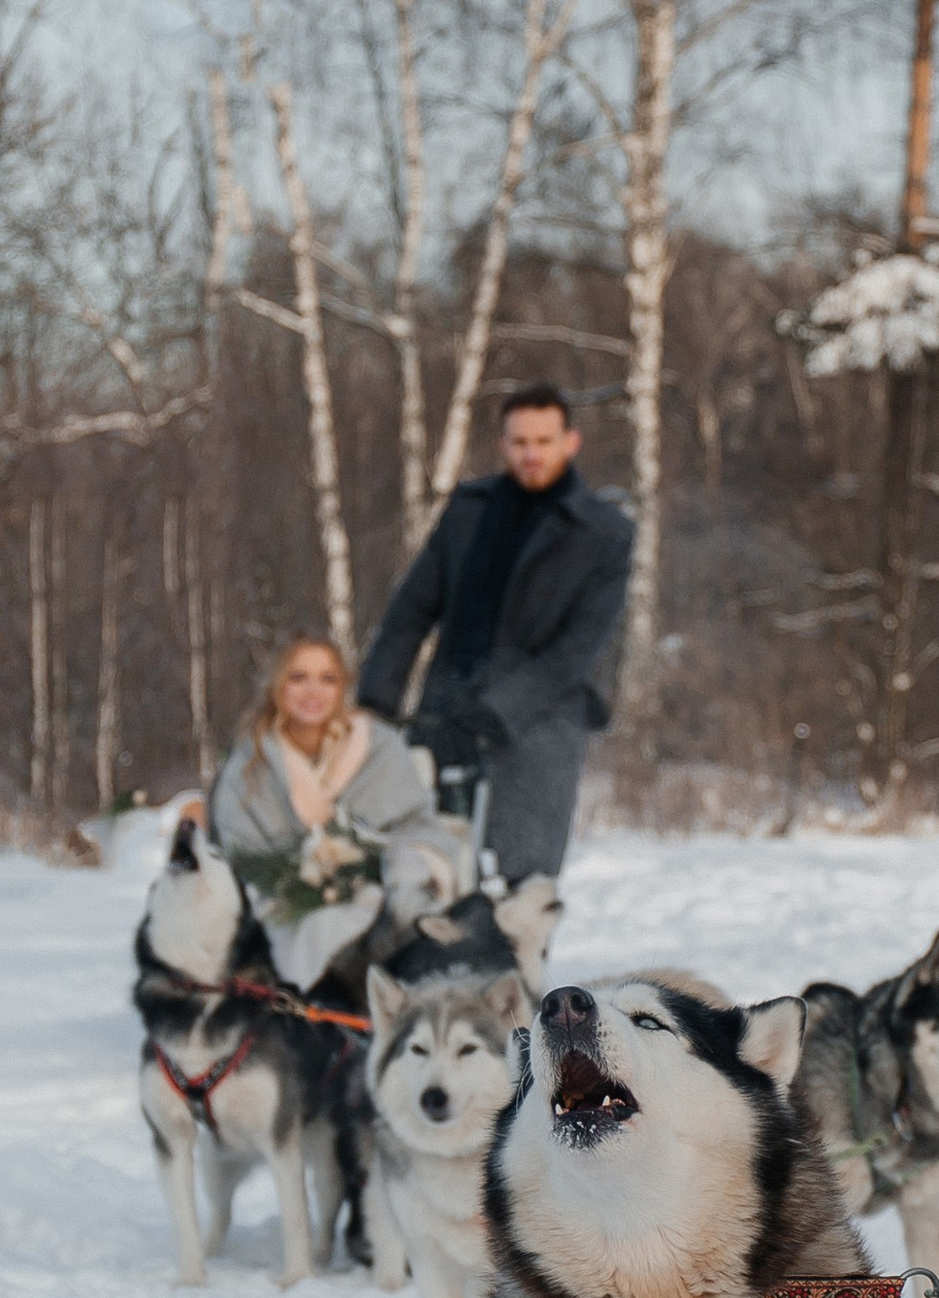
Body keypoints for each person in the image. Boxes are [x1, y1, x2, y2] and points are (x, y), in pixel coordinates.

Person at [357, 384, 634, 888]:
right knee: (426, 877)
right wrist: (377, 699)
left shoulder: (603, 533)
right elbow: (411, 609)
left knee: (518, 890)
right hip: (445, 713)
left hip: (538, 728)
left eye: (544, 441)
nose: (532, 454)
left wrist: (500, 709)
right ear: (503, 444)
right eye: (520, 441)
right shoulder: (469, 509)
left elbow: (579, 648)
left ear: (570, 442)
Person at [207, 633, 462, 990]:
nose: (313, 691)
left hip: (381, 896)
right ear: (277, 685)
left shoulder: (379, 745)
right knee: (320, 926)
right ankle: (315, 1011)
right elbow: (240, 853)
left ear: (343, 686)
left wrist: (391, 862)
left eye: (327, 678)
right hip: (285, 906)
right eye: (299, 677)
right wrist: (307, 875)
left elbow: (418, 826)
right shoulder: (250, 765)